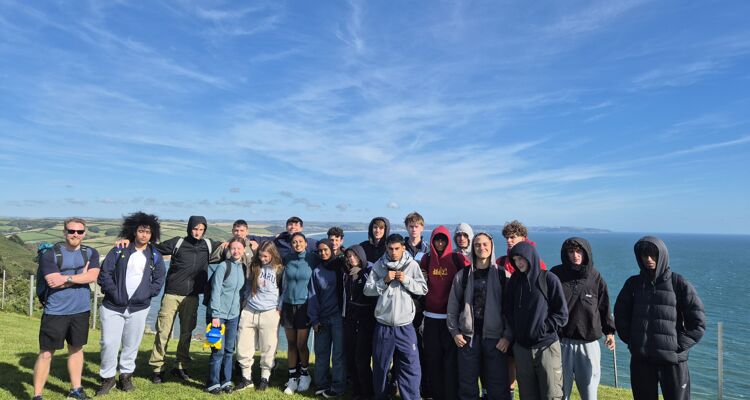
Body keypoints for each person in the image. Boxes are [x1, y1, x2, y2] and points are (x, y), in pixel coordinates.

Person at [614, 236, 705, 400]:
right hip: (642, 359)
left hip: (673, 361)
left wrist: (677, 346)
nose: (649, 259)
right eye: (645, 256)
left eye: (653, 255)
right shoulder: (633, 284)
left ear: (662, 255)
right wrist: (633, 340)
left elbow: (698, 323)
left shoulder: (679, 283)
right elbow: (620, 315)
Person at [142, 215, 223, 383]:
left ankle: (181, 366)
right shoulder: (177, 242)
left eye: (201, 229)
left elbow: (228, 247)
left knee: (186, 333)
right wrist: (130, 242)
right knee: (163, 331)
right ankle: (158, 368)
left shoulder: (208, 245)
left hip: (192, 296)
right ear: (189, 228)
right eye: (195, 228)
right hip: (171, 294)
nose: (198, 232)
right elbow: (153, 248)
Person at [96, 212, 166, 396]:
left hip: (139, 308)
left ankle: (125, 376)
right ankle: (108, 377)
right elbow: (105, 273)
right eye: (141, 231)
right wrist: (114, 293)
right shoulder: (119, 250)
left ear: (152, 235)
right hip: (113, 306)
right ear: (134, 231)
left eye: (148, 232)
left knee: (131, 344)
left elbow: (159, 279)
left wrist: (147, 294)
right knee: (109, 343)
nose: (144, 235)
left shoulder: (155, 256)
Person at [33, 218, 101, 400]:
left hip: (81, 310)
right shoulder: (50, 254)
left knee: (76, 349)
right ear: (64, 232)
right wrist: (80, 275)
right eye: (71, 231)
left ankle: (76, 389)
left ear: (84, 234)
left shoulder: (91, 252)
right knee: (46, 353)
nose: (75, 235)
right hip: (55, 311)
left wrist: (67, 278)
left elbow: (93, 276)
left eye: (79, 232)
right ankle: (37, 395)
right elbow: (52, 282)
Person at [447, 232, 512, 400]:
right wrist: (455, 332)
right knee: (467, 385)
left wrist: (507, 336)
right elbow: (452, 307)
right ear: (472, 248)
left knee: (497, 386)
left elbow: (512, 311)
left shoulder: (503, 275)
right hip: (468, 338)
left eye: (485, 244)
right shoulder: (462, 275)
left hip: (496, 339)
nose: (481, 248)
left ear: (491, 247)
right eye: (477, 245)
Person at [550, 237, 616, 400]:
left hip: (588, 343)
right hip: (560, 342)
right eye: (571, 251)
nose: (575, 255)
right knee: (559, 392)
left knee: (589, 392)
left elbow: (604, 306)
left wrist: (609, 332)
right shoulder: (555, 274)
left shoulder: (596, 277)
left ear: (586, 253)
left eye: (579, 251)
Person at [364, 234, 428, 400]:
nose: (393, 252)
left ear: (403, 248)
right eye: (390, 249)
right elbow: (367, 290)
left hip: (405, 326)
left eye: (397, 249)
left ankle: (412, 398)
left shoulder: (412, 265)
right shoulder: (379, 265)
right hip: (383, 325)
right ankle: (382, 397)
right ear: (386, 248)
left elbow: (423, 289)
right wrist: (384, 281)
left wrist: (406, 280)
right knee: (381, 366)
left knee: (411, 367)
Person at [507, 241, 568, 400]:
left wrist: (541, 329)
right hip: (522, 349)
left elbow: (562, 314)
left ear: (531, 257)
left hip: (546, 347)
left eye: (521, 258)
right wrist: (518, 331)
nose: (518, 263)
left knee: (551, 395)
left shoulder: (548, 279)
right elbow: (508, 309)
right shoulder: (514, 281)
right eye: (515, 259)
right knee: (527, 396)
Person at [495, 220, 546, 397]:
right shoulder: (501, 261)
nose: (509, 241)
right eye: (507, 238)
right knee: (508, 361)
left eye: (513, 237)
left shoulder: (537, 263)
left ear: (523, 238)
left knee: (527, 366)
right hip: (507, 319)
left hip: (529, 323)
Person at [420, 225, 467, 400]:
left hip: (451, 320)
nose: (440, 242)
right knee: (433, 361)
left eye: (443, 239)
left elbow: (470, 276)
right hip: (431, 318)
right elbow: (419, 282)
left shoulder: (457, 258)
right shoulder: (426, 259)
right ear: (432, 241)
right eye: (437, 239)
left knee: (450, 362)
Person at [235, 241, 284, 392]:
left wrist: (279, 308)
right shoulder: (254, 266)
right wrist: (246, 300)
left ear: (273, 254)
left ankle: (265, 378)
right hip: (250, 309)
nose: (262, 259)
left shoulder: (279, 270)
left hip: (270, 311)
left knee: (268, 346)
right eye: (260, 255)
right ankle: (246, 378)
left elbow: (284, 289)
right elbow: (249, 284)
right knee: (243, 345)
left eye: (266, 256)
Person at [204, 237, 247, 394]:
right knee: (218, 351)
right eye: (233, 248)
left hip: (233, 315)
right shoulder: (223, 266)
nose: (236, 251)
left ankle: (226, 381)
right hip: (218, 315)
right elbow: (215, 291)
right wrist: (215, 315)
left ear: (243, 250)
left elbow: (241, 293)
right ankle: (212, 382)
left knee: (229, 350)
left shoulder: (243, 268)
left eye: (239, 248)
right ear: (229, 250)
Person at [280, 232, 318, 395]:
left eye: (300, 241)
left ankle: (304, 374)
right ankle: (292, 377)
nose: (297, 244)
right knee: (291, 343)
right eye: (294, 242)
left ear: (305, 243)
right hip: (288, 305)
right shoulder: (287, 258)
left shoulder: (312, 258)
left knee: (301, 344)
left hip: (304, 306)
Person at [308, 239, 346, 398]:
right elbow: (312, 297)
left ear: (331, 250)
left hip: (338, 317)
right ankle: (321, 383)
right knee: (321, 353)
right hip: (322, 318)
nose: (323, 253)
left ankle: (338, 386)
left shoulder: (341, 268)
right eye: (320, 251)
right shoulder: (316, 271)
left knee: (338, 354)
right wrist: (314, 320)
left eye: (326, 250)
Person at [342, 245, 377, 400]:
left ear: (361, 255)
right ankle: (357, 391)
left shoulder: (369, 272)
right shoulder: (347, 274)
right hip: (350, 319)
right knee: (350, 358)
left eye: (354, 255)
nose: (352, 259)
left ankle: (367, 392)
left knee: (361, 359)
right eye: (349, 256)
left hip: (365, 320)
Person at [403, 212, 430, 397]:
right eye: (411, 226)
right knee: (402, 349)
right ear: (407, 227)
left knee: (420, 346)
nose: (414, 229)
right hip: (402, 304)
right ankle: (399, 382)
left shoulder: (428, 250)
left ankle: (421, 386)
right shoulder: (398, 247)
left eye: (417, 226)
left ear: (422, 227)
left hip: (421, 305)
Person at [247, 216, 317, 260]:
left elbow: (325, 246)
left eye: (296, 225)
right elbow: (260, 239)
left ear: (301, 228)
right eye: (290, 224)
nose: (293, 227)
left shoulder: (310, 243)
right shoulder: (279, 240)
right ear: (286, 227)